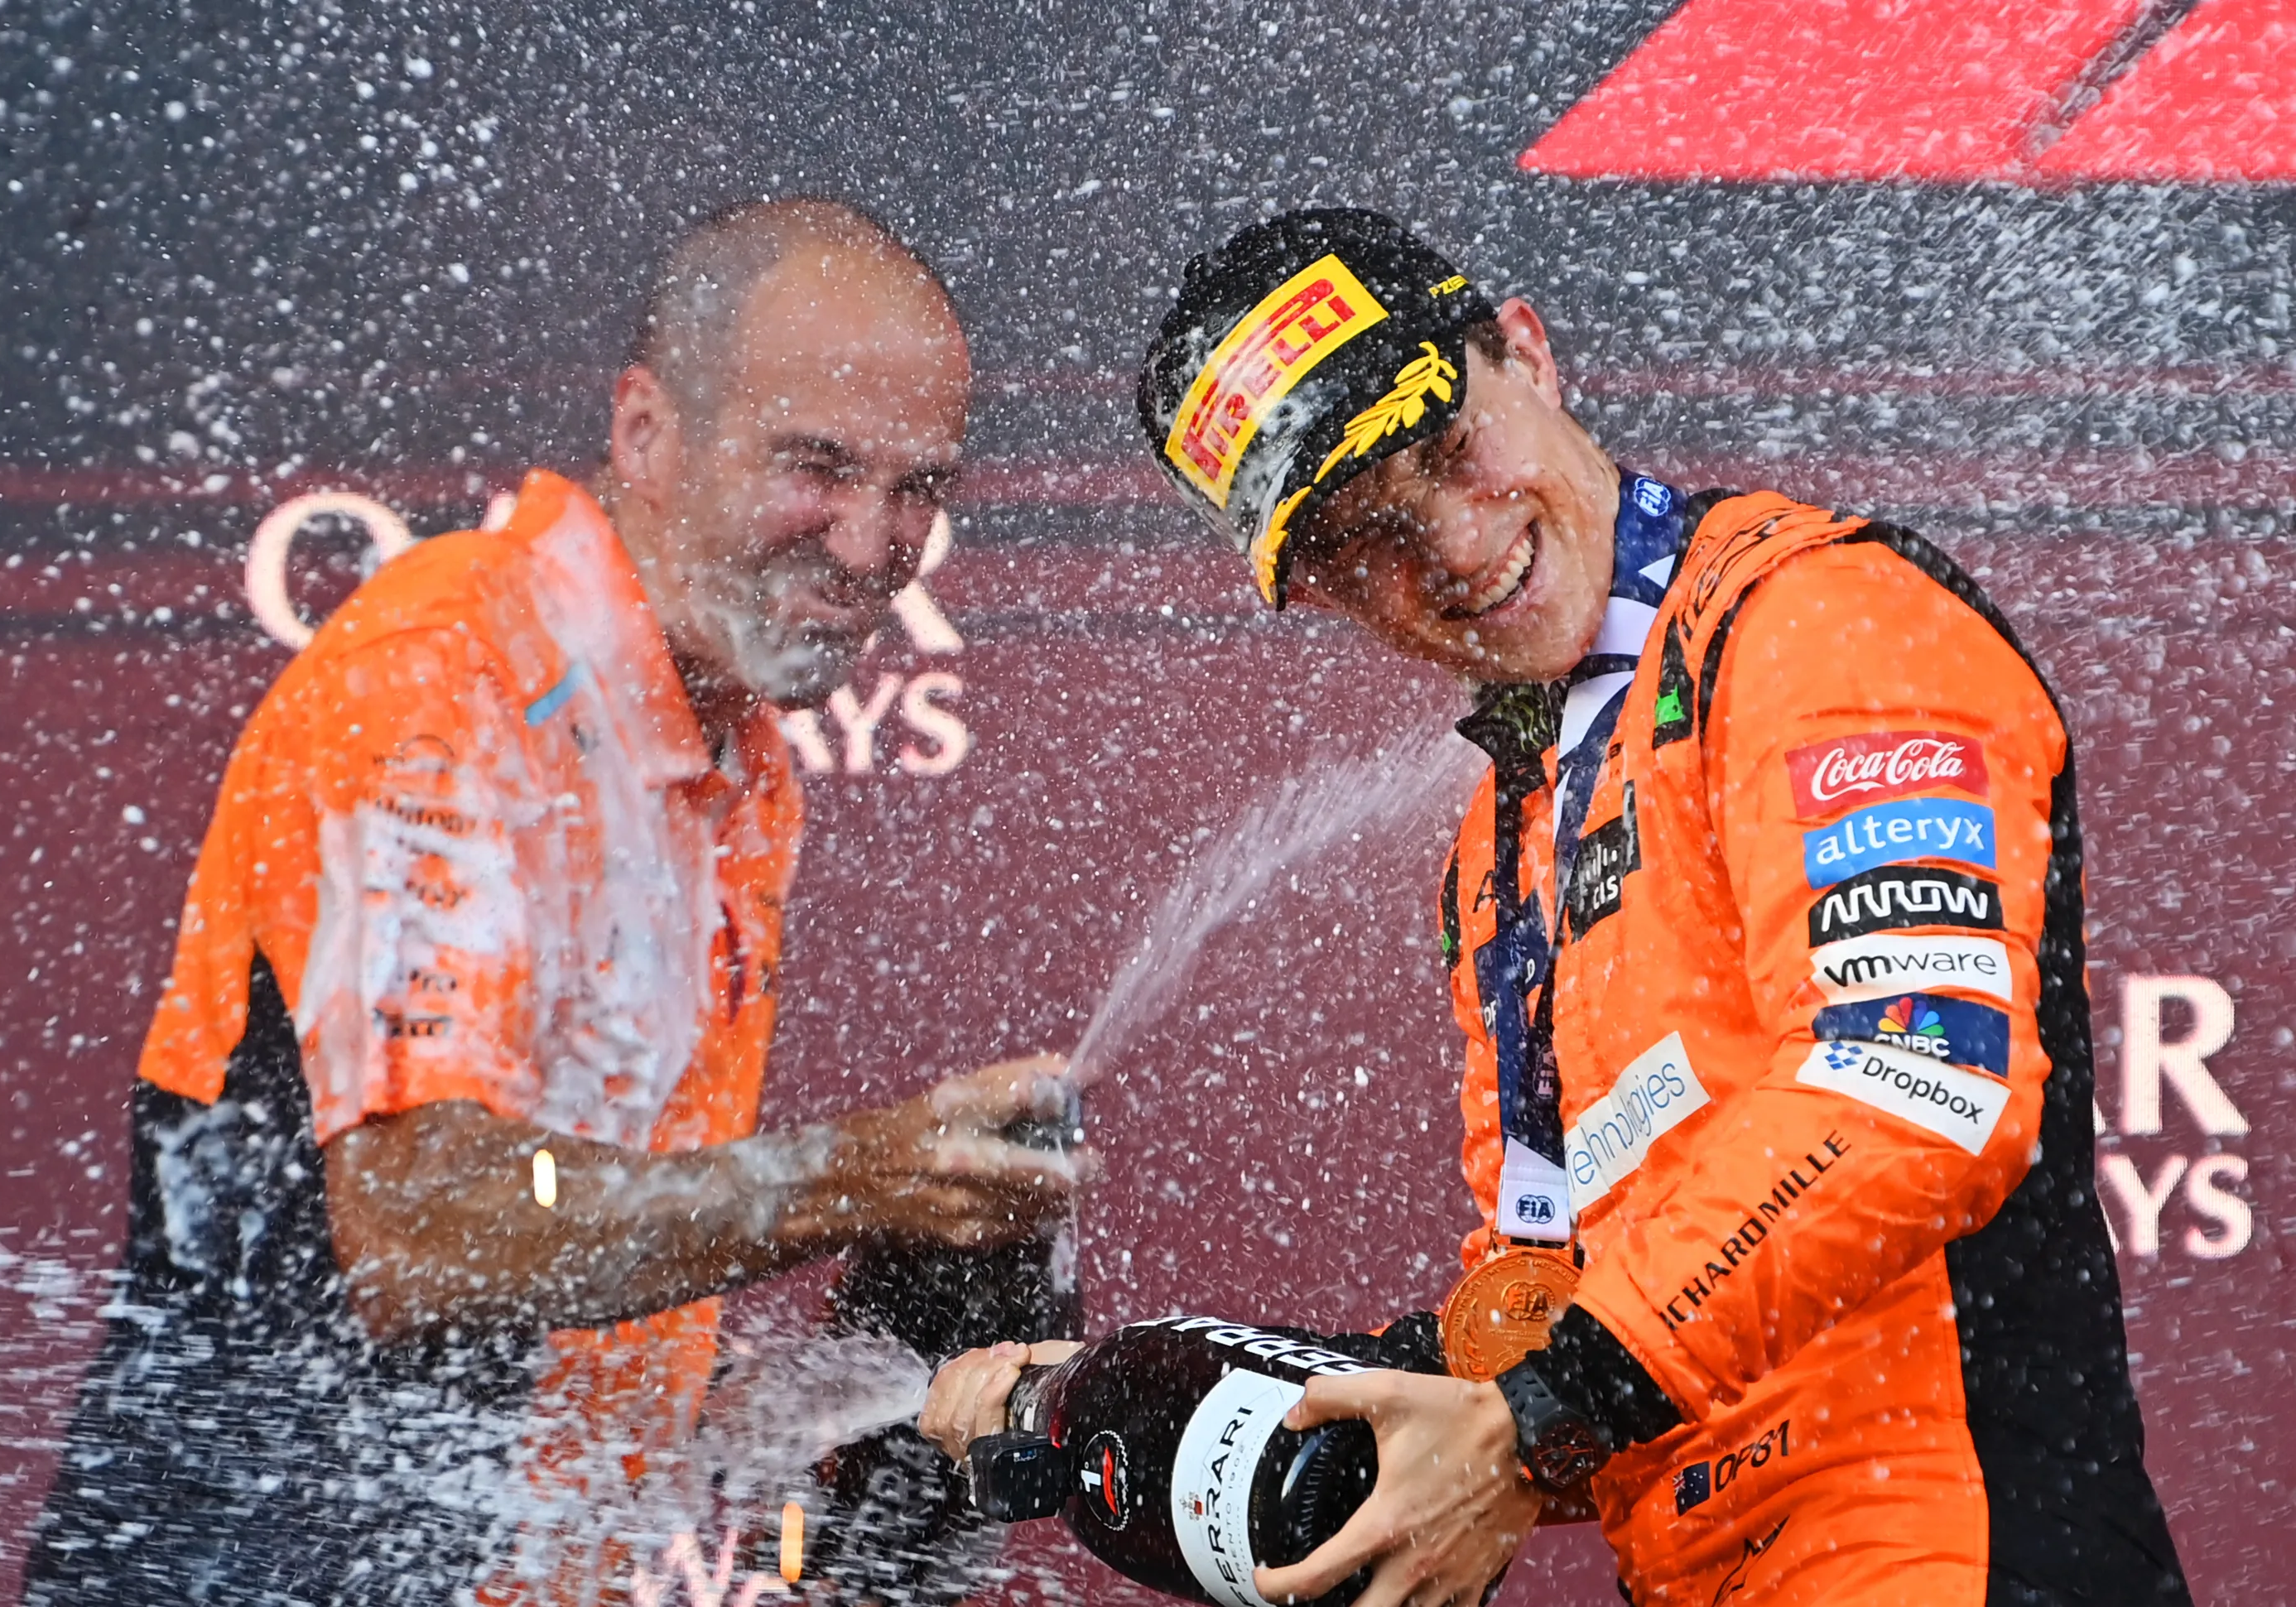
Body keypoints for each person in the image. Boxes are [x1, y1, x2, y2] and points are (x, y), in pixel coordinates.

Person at [921, 209, 2187, 1607]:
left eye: (1447, 450)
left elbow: (1914, 1081)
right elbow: (1550, 1331)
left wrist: (1537, 1410)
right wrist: (1161, 1400)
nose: (1453, 549)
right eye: (1362, 541)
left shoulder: (1813, 623)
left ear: (1526, 350)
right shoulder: (1499, 844)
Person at [25, 198, 1088, 1607]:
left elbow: (558, 1243)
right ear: (646, 432)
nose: (870, 542)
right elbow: (422, 1222)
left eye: (918, 489)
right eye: (815, 466)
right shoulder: (449, 676)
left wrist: (873, 1381)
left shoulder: (734, 759)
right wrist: (849, 1179)